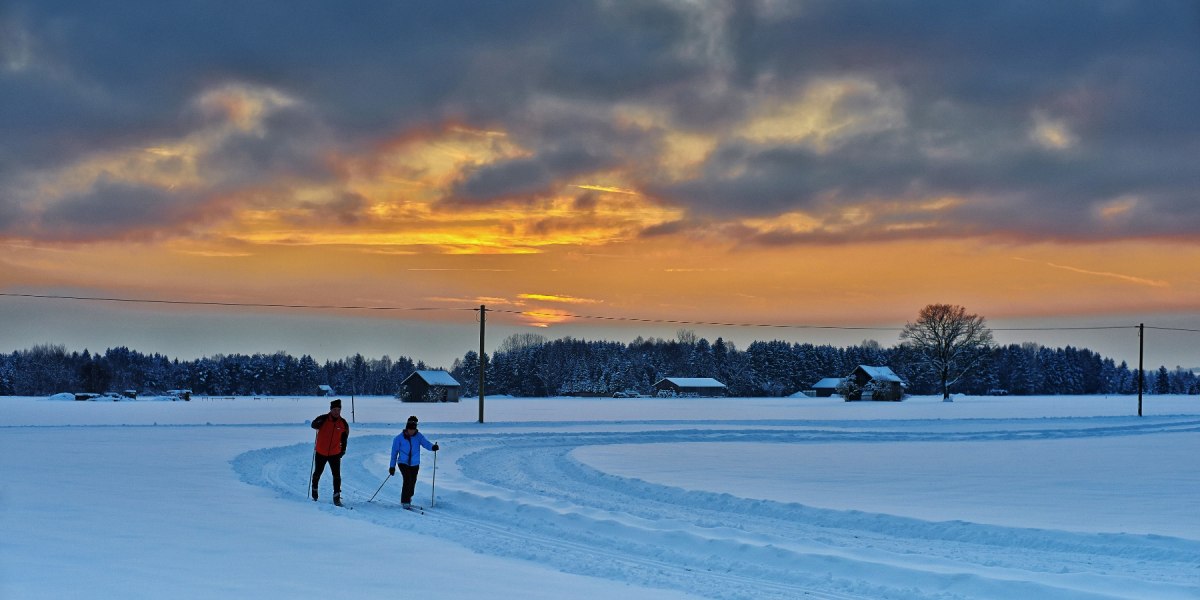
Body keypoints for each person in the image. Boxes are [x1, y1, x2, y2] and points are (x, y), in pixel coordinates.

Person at [388, 415, 438, 508]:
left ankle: (409, 496)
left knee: (413, 481)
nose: (412, 431)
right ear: (407, 428)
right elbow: (394, 453)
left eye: (413, 429)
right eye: (410, 429)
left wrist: (432, 447)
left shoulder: (419, 436)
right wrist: (392, 467)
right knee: (407, 479)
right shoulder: (399, 438)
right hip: (403, 462)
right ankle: (405, 501)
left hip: (415, 463)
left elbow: (426, 443)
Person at [311, 399, 349, 506]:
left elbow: (344, 439)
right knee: (318, 472)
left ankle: (336, 498)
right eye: (334, 410)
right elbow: (313, 425)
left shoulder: (343, 423)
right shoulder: (323, 419)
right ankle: (314, 491)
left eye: (338, 410)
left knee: (336, 475)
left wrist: (343, 450)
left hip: (334, 453)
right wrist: (317, 423)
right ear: (331, 410)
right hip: (321, 451)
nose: (336, 412)